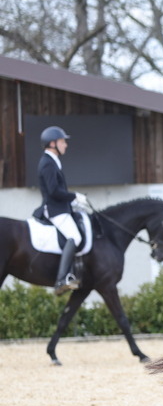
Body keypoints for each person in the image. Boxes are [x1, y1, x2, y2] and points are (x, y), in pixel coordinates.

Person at [37, 125, 88, 295]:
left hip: (60, 207)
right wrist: (74, 197)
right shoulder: (47, 163)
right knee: (75, 236)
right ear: (52, 144)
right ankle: (61, 280)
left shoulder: (53, 161)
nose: (65, 145)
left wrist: (71, 204)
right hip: (54, 210)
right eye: (62, 142)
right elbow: (53, 191)